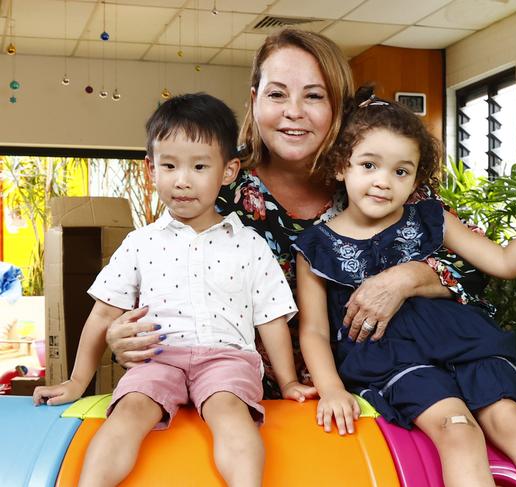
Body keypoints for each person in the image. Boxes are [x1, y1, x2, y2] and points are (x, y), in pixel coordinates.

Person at [104, 29, 490, 399]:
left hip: (392, 393)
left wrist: (408, 277)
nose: (293, 112)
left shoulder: (382, 176)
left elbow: (479, 268)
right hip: (249, 401)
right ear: (254, 100)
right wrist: (125, 339)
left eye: (314, 96)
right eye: (277, 94)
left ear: (338, 104)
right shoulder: (215, 189)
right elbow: (156, 293)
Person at [294, 89, 516, 487]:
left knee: (512, 420)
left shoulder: (432, 218)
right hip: (392, 359)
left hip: (465, 343)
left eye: (401, 171)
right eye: (369, 165)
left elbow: (506, 263)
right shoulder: (315, 246)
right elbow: (313, 330)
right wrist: (330, 390)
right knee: (458, 429)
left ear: (415, 178)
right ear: (342, 167)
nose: (383, 182)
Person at [33, 93, 314, 487]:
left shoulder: (249, 244)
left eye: (199, 166)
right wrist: (77, 381)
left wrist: (287, 383)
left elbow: (271, 319)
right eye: (169, 165)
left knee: (230, 411)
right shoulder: (140, 243)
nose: (182, 180)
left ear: (229, 170)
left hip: (225, 360)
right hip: (157, 359)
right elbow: (103, 313)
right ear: (151, 170)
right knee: (128, 411)